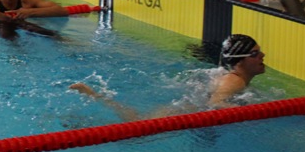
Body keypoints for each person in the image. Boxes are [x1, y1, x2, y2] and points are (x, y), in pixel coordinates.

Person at [69, 34, 266, 117]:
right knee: (137, 126)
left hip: (186, 106)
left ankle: (94, 95)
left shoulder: (229, 77)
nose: (262, 56)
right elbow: (216, 103)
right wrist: (254, 112)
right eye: (255, 54)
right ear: (240, 62)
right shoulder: (234, 81)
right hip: (183, 111)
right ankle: (92, 95)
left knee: (137, 120)